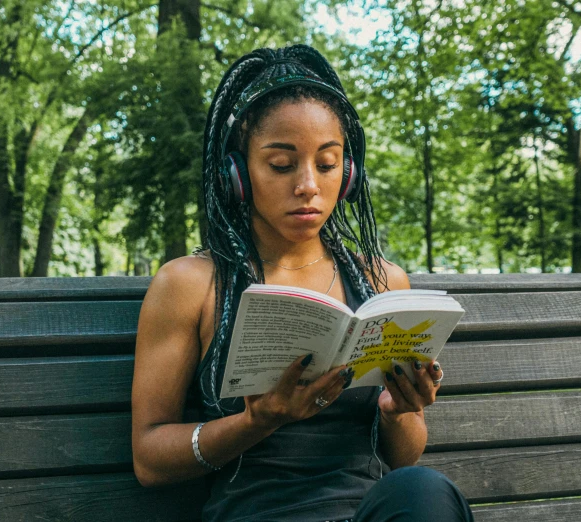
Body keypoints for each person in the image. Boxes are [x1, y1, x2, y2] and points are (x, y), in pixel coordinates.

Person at [131, 44, 474, 522]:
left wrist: (399, 411)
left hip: (364, 513)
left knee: (423, 489)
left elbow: (404, 457)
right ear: (238, 174)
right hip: (256, 514)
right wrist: (255, 422)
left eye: (328, 163)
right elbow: (149, 459)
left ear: (349, 173)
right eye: (281, 165)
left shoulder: (381, 281)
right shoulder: (191, 285)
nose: (308, 184)